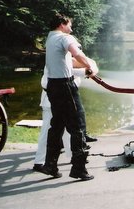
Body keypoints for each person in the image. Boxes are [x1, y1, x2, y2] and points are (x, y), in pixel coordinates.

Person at [39, 12, 96, 180]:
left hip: (53, 86)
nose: (71, 28)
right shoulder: (65, 38)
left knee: (57, 125)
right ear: (62, 24)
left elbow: (65, 61)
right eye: (69, 24)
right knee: (78, 126)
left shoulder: (50, 38)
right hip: (65, 86)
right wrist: (89, 67)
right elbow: (77, 55)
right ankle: (78, 169)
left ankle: (50, 165)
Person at [33, 59, 98, 172]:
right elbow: (72, 71)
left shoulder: (70, 60)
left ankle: (73, 156)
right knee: (47, 131)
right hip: (51, 99)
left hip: (66, 98)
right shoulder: (59, 61)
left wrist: (90, 69)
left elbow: (92, 64)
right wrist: (86, 71)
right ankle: (39, 161)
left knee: (69, 130)